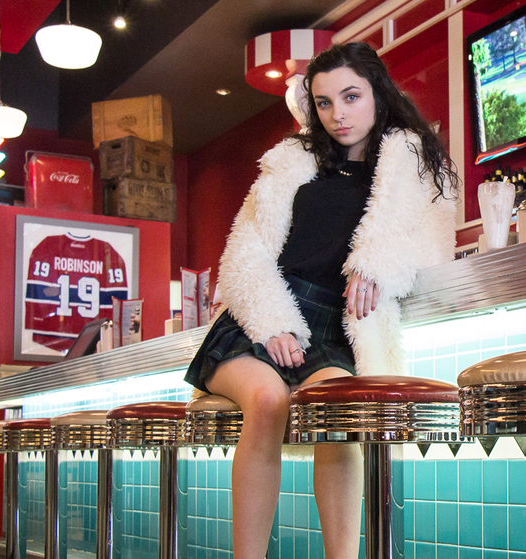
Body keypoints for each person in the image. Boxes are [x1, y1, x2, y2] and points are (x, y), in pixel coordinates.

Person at [183, 42, 459, 559]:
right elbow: (245, 253)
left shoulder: (411, 163)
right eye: (325, 102)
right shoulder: (294, 161)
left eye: (351, 97)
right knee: (267, 401)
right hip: (261, 320)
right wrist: (272, 323)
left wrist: (377, 266)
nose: (338, 114)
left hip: (335, 329)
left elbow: (431, 244)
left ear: (377, 92)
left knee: (341, 414)